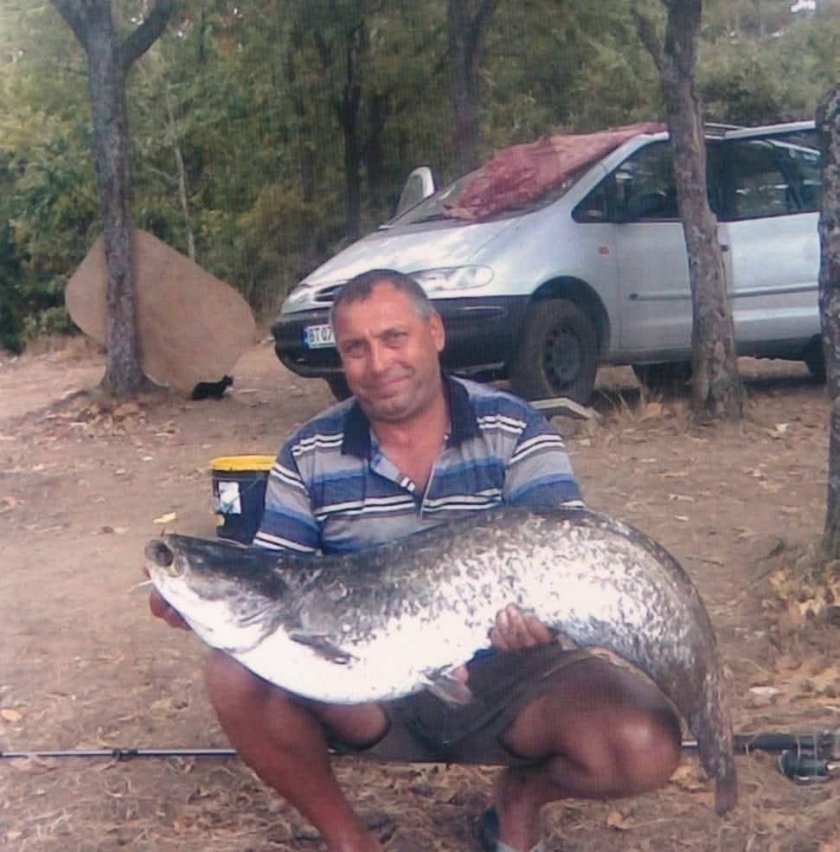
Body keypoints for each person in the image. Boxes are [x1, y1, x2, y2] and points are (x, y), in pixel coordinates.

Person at [150, 269, 682, 852]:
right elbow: (277, 582)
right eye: (356, 348)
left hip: (509, 677)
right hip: (364, 682)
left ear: (434, 332)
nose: (378, 363)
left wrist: (541, 624)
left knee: (647, 743)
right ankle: (349, 839)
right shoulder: (307, 455)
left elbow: (563, 559)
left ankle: (522, 797)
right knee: (232, 674)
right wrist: (200, 607)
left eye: (394, 337)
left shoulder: (517, 431)